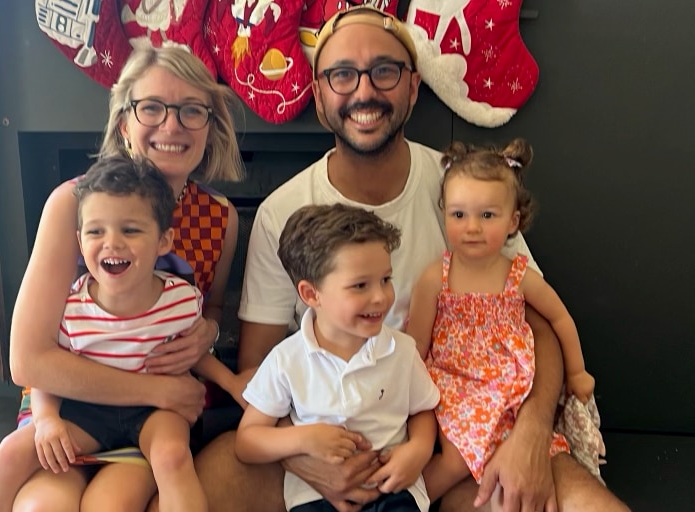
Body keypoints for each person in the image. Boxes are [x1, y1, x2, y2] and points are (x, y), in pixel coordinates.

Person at [195, 5, 629, 512]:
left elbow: (539, 322)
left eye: (384, 70)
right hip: (328, 444)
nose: (364, 91)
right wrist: (303, 459)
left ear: (412, 87)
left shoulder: (464, 189)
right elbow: (258, 370)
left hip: (462, 436)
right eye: (341, 74)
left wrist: (531, 433)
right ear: (318, 96)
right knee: (205, 482)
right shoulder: (280, 213)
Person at [5, 46, 246, 511]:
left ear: (209, 129)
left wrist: (209, 333)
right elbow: (29, 361)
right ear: (124, 124)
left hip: (157, 423)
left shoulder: (222, 218)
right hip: (66, 410)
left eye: (191, 110)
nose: (171, 126)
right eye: (151, 107)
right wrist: (157, 388)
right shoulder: (71, 204)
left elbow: (210, 310)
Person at [405, 139, 595, 501]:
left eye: (487, 215)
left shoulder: (519, 275)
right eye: (458, 215)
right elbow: (416, 344)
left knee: (516, 443)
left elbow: (559, 318)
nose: (471, 227)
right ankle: (407, 501)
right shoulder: (435, 277)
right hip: (454, 381)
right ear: (444, 214)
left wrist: (576, 372)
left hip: (508, 381)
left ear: (513, 222)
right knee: (457, 459)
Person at [235, 203, 440, 512]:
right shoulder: (286, 360)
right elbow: (247, 441)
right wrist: (303, 439)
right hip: (315, 497)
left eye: (386, 279)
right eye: (360, 285)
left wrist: (420, 449)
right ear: (311, 294)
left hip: (395, 491)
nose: (381, 297)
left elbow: (423, 409)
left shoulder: (402, 350)